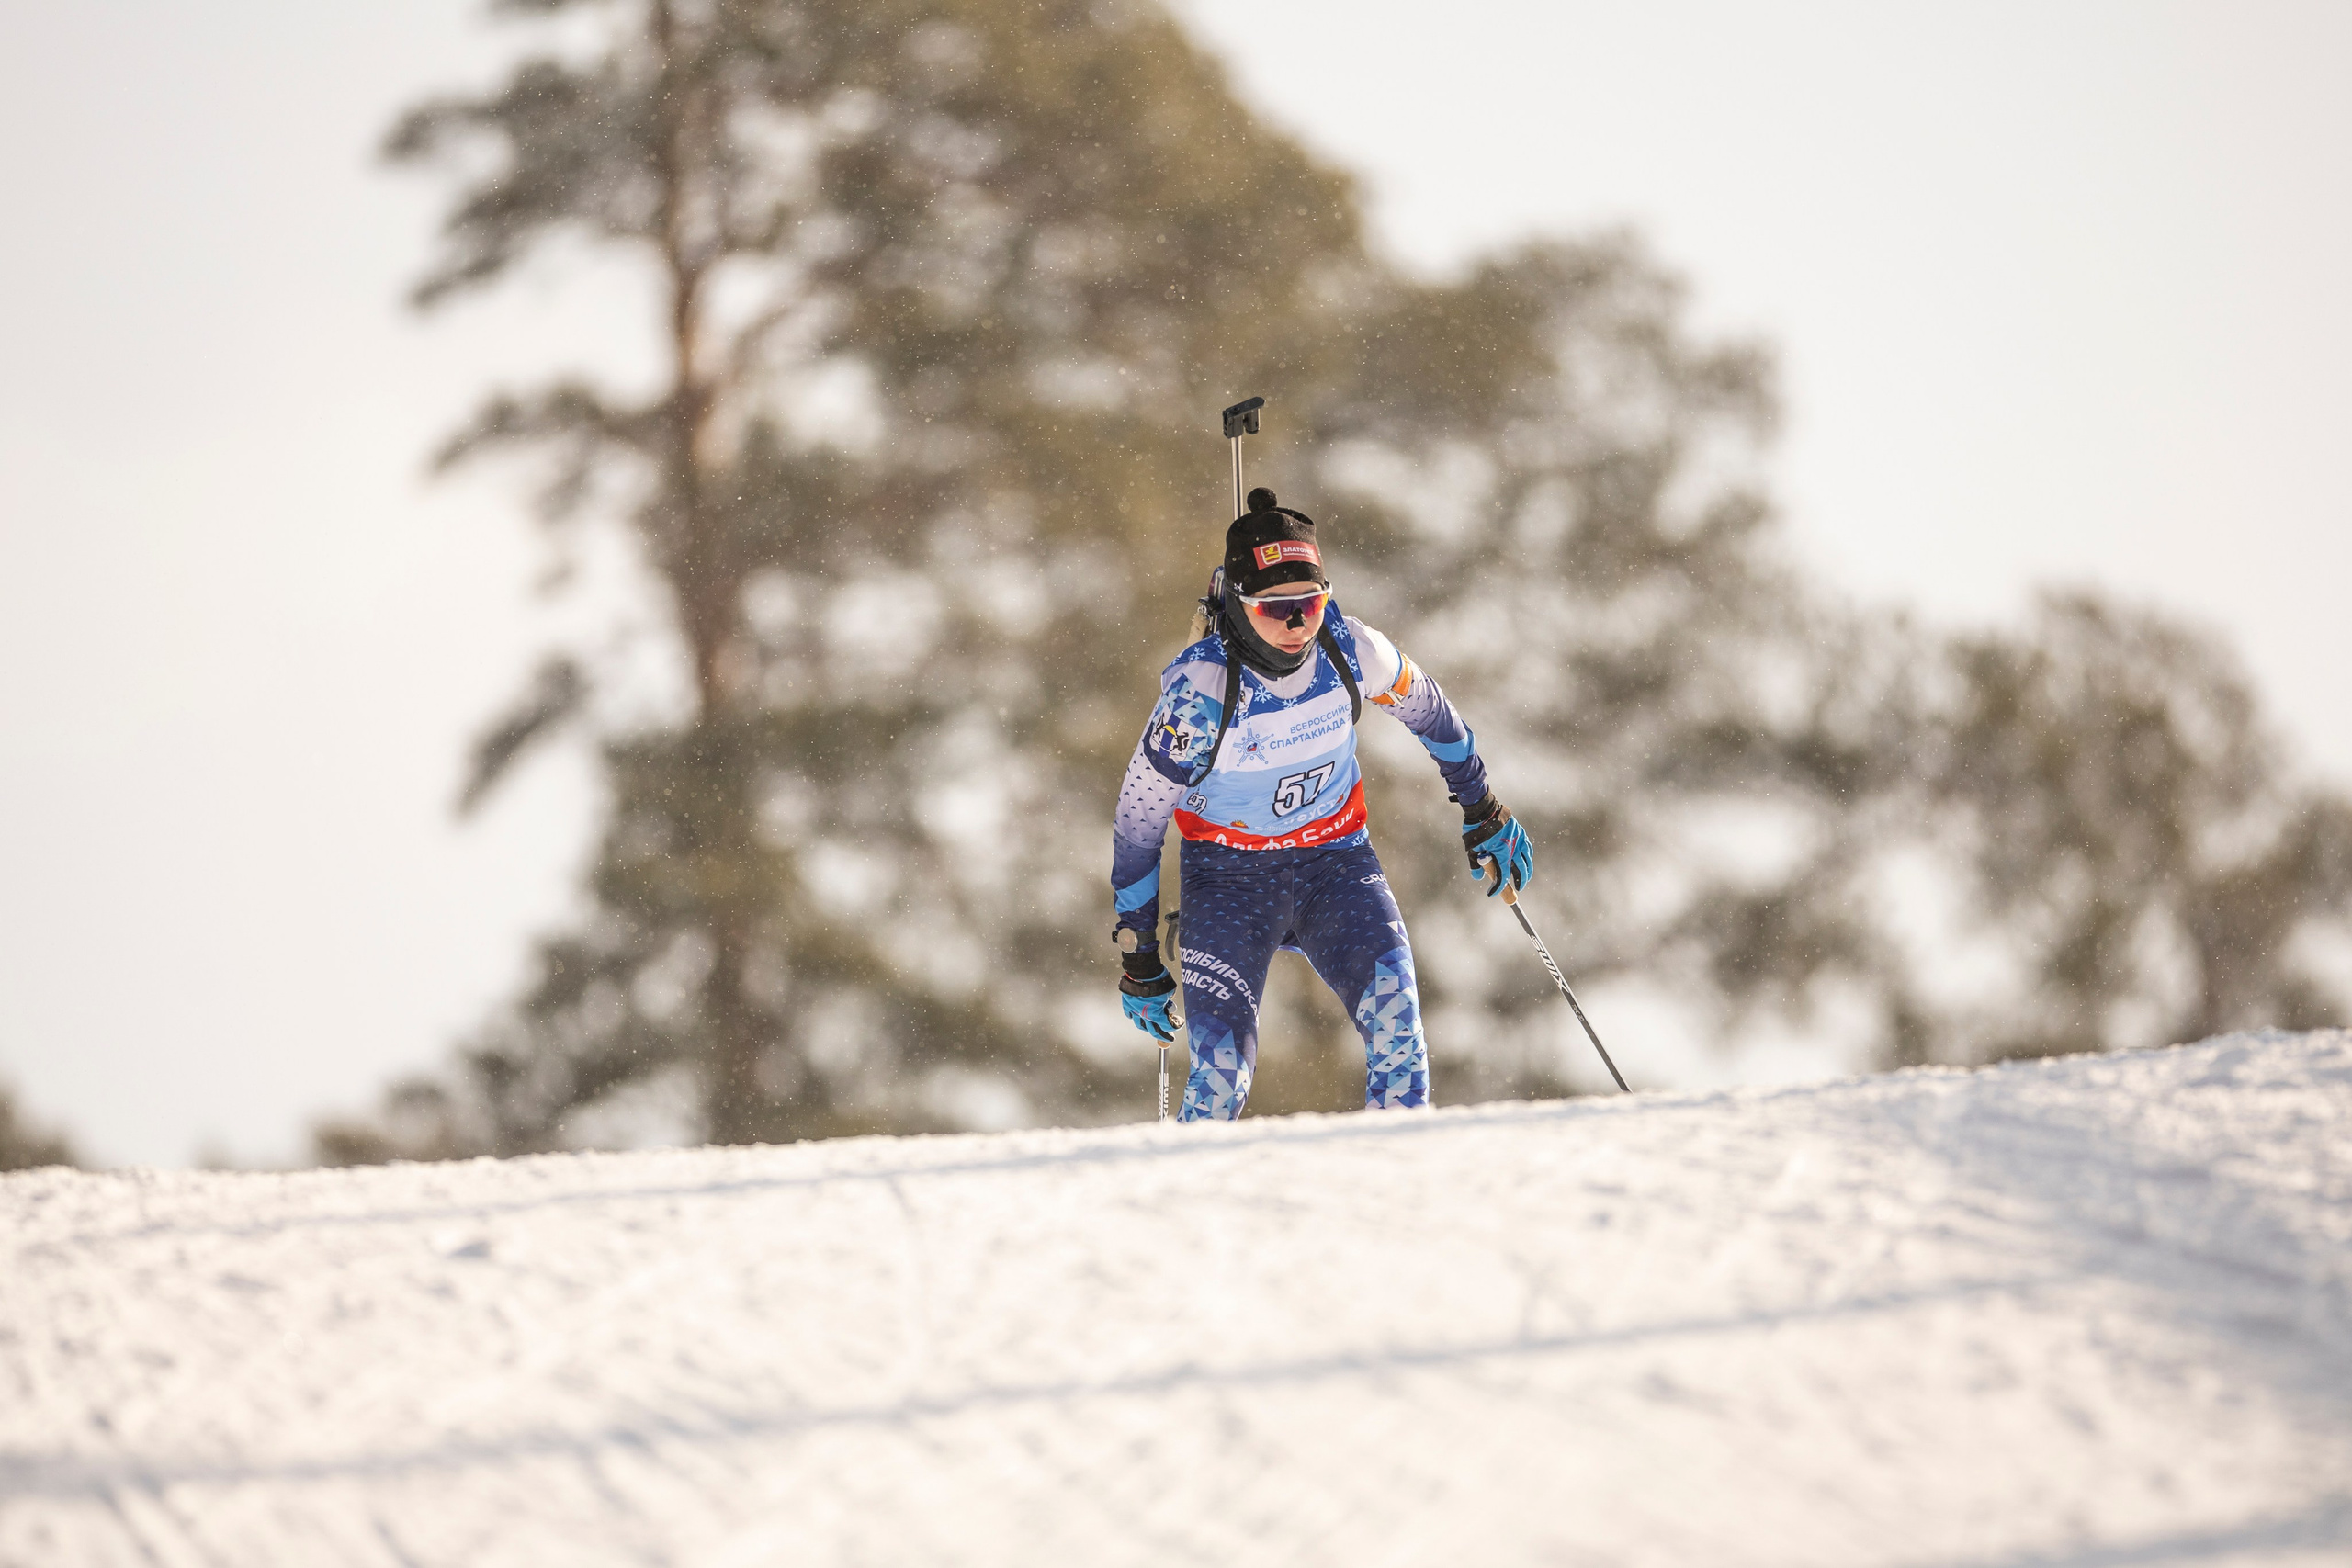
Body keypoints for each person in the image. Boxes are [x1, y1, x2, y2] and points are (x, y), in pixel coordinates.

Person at [1110, 487, 1534, 1120]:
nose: (1295, 623)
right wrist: (1139, 949)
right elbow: (1138, 825)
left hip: (1335, 867)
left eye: (1310, 603)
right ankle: (1185, 1201)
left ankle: (1394, 1192)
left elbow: (1433, 714)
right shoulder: (1199, 694)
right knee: (1221, 1080)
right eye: (1273, 608)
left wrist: (1482, 806)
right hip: (1229, 883)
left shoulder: (1351, 648)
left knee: (1401, 1042)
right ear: (1235, 603)